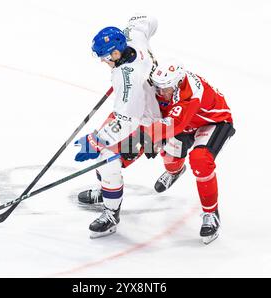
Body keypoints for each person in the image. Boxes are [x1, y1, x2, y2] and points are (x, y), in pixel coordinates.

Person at [74, 14, 161, 238]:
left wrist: (96, 140)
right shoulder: (134, 37)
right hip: (133, 112)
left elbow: (126, 122)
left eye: (105, 57)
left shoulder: (127, 81)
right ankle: (107, 190)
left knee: (106, 157)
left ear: (116, 53)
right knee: (98, 150)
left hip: (149, 127)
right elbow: (148, 20)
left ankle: (111, 215)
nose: (104, 62)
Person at [144, 60, 235, 244]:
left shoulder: (190, 93)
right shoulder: (166, 89)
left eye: (165, 88)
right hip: (187, 120)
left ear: (177, 84)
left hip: (213, 122)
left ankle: (211, 213)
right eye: (158, 88)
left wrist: (144, 141)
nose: (161, 93)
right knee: (170, 154)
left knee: (200, 160)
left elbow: (174, 124)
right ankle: (174, 171)